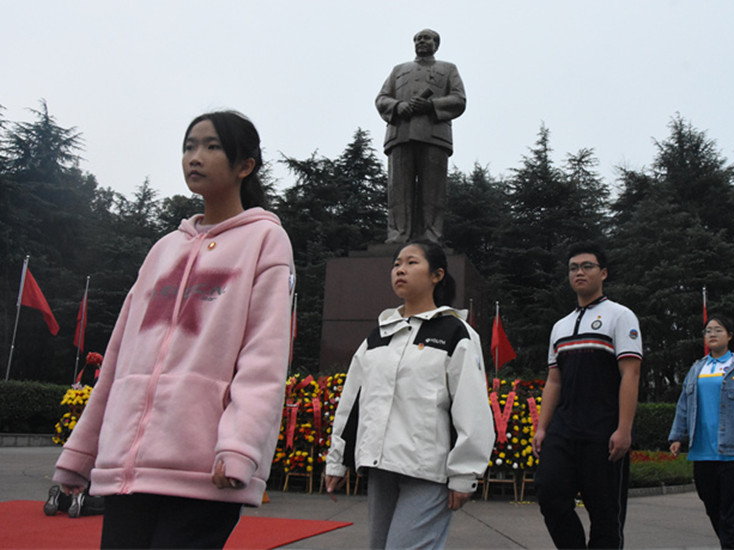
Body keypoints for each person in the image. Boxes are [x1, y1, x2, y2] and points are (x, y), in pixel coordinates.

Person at [52, 111, 295, 549]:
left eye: (211, 146)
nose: (195, 157)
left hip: (203, 471)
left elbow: (265, 356)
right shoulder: (164, 249)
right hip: (128, 470)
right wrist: (82, 451)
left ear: (245, 165)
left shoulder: (265, 241)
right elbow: (118, 357)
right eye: (189, 146)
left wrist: (240, 446)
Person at [324, 240, 494, 549]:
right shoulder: (379, 335)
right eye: (396, 264)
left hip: (429, 471)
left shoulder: (455, 333)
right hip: (381, 467)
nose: (400, 270)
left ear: (437, 275)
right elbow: (352, 403)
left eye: (412, 262)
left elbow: (472, 407)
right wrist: (337, 461)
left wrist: (465, 473)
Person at [532, 242, 642, 549]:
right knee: (549, 493)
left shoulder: (620, 316)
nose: (579, 272)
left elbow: (631, 374)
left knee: (605, 513)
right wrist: (542, 427)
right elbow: (554, 381)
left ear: (603, 273)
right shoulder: (560, 326)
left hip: (603, 430)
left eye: (586, 266)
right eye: (573, 268)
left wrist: (624, 429)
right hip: (564, 428)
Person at [668, 314, 734, 549]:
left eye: (718, 330)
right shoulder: (697, 369)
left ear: (730, 336)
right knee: (713, 508)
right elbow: (684, 405)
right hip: (702, 454)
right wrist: (677, 436)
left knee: (732, 515)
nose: (712, 334)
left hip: (733, 453)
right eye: (708, 331)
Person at [376, 29, 466, 245]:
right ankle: (398, 234)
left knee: (433, 190)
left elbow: (459, 99)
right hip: (400, 135)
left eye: (426, 38)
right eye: (417, 39)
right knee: (398, 190)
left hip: (434, 135)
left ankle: (431, 235)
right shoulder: (398, 70)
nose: (421, 41)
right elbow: (381, 98)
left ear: (436, 44)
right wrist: (398, 106)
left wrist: (431, 105)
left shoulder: (448, 69)